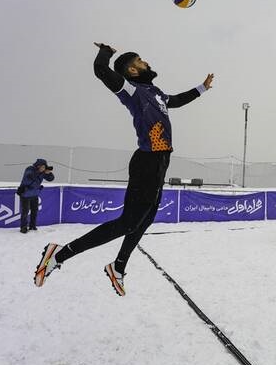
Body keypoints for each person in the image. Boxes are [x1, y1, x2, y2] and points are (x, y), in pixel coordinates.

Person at [34, 42, 214, 296]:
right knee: (127, 223)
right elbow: (100, 70)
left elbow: (175, 101)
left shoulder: (155, 92)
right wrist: (106, 51)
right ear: (131, 70)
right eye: (141, 60)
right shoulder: (132, 90)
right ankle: (59, 255)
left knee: (146, 219)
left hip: (161, 163)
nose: (146, 63)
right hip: (147, 162)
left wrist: (202, 88)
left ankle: (117, 267)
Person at [17, 158, 54, 233]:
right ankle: (23, 227)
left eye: (44, 167)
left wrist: (49, 173)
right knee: (25, 212)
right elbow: (31, 176)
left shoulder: (42, 172)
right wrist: (42, 172)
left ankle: (32, 226)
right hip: (25, 194)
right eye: (42, 167)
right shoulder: (30, 169)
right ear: (38, 166)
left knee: (34, 211)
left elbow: (51, 179)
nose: (43, 168)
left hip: (35, 194)